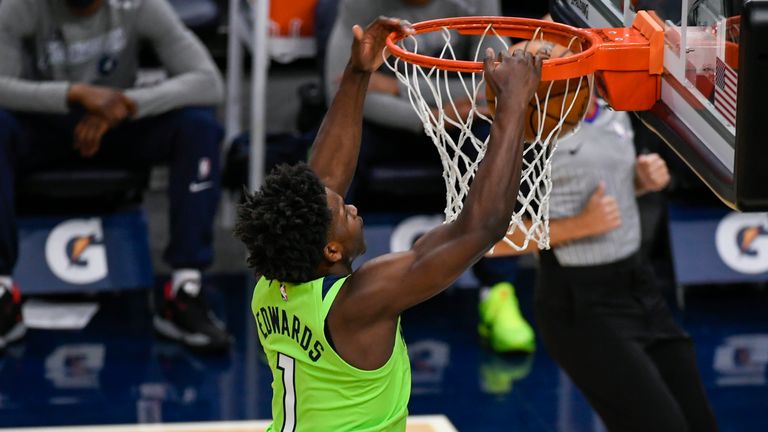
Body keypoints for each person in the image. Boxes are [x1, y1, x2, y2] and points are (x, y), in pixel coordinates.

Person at [234, 17, 541, 431]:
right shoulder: (357, 304)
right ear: (331, 250)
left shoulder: (269, 284)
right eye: (343, 211)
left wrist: (357, 74)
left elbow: (322, 181)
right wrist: (512, 106)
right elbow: (480, 228)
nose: (352, 206)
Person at [0, 0, 231, 352]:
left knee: (198, 126)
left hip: (117, 125)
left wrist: (129, 104)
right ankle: (2, 292)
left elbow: (208, 82)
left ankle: (185, 288)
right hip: (46, 123)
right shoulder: (21, 8)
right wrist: (72, 94)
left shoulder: (139, 6)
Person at [488, 94, 718, 431]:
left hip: (640, 286)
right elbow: (483, 239)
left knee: (700, 424)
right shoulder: (525, 129)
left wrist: (641, 181)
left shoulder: (614, 108)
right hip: (579, 303)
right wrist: (577, 226)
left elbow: (603, 190)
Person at [325, 0, 535, 354]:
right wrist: (428, 118)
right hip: (388, 124)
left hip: (459, 124)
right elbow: (341, 86)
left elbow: (499, 83)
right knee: (337, 163)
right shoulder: (361, 5)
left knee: (500, 148)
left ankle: (498, 291)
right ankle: (324, 285)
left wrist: (395, 87)